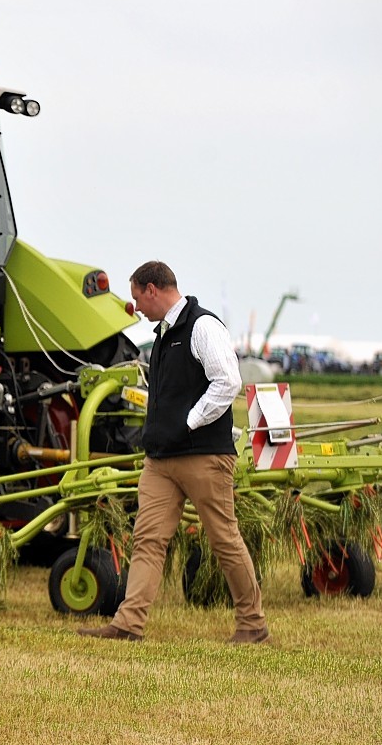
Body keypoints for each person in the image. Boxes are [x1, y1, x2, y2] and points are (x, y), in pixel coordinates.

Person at [79, 261, 270, 644]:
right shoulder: (164, 334)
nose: (137, 308)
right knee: (147, 539)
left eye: (137, 298)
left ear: (153, 289)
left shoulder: (202, 326)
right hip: (161, 461)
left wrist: (189, 422)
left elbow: (228, 380)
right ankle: (128, 624)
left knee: (223, 539)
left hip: (203, 456)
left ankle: (253, 625)